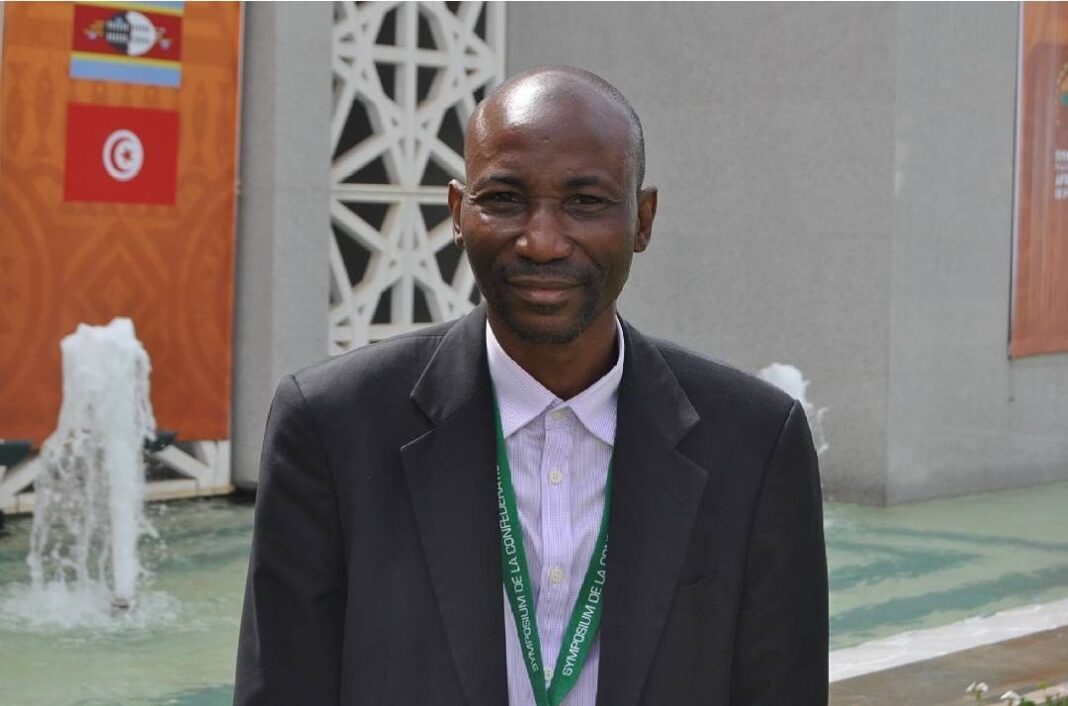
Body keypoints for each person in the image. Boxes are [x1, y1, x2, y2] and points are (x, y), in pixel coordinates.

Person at [235, 65, 828, 706]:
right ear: (458, 213)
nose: (542, 241)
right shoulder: (331, 427)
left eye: (585, 202)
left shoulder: (756, 443)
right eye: (504, 199)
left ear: (643, 219)